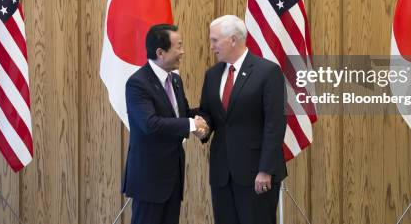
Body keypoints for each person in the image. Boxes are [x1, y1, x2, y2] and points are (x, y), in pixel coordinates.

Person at [198, 15, 287, 224]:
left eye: (214, 40)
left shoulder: (267, 72)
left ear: (233, 39)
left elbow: (275, 124)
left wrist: (265, 169)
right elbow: (208, 112)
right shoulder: (212, 75)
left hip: (257, 174)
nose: (211, 46)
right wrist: (202, 126)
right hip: (222, 174)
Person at [122, 24, 208, 224]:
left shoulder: (175, 80)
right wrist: (191, 125)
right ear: (160, 52)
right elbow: (150, 124)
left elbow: (182, 114)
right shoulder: (138, 83)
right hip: (149, 180)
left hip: (172, 178)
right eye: (178, 46)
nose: (183, 51)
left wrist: (210, 115)